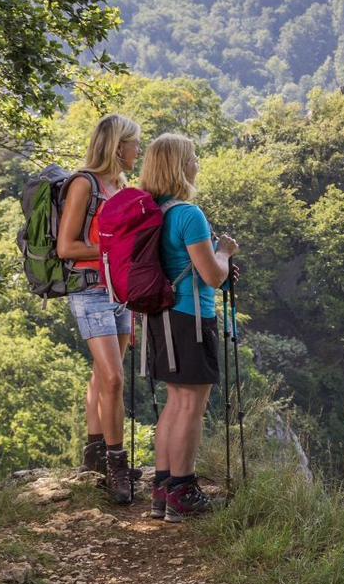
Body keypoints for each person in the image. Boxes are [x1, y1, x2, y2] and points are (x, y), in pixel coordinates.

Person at [137, 133, 238, 521]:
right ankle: (183, 491)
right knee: (191, 407)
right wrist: (224, 251)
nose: (197, 163)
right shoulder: (188, 214)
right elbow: (213, 276)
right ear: (180, 167)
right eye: (193, 158)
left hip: (158, 316)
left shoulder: (152, 212)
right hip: (191, 318)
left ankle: (162, 490)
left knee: (174, 403)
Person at [57, 113, 142, 504]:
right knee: (113, 379)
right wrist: (114, 249)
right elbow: (66, 247)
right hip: (90, 292)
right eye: (134, 143)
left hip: (120, 292)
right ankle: (116, 464)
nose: (138, 150)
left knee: (102, 375)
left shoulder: (120, 186)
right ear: (118, 146)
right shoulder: (84, 184)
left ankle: (94, 454)